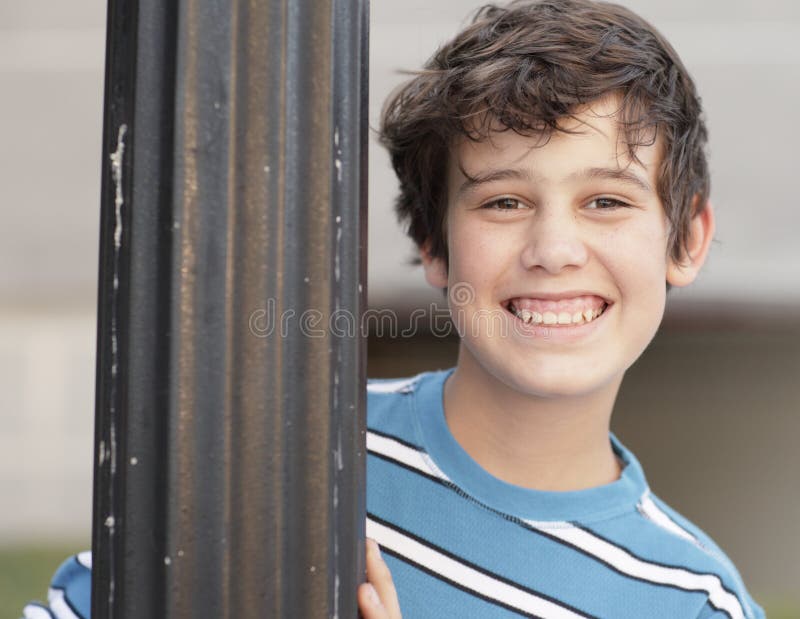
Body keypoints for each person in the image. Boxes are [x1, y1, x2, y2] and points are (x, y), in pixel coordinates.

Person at [24, 1, 765, 618]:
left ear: (687, 239)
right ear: (432, 244)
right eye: (505, 201)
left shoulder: (695, 599)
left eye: (606, 201)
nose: (554, 248)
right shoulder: (279, 459)